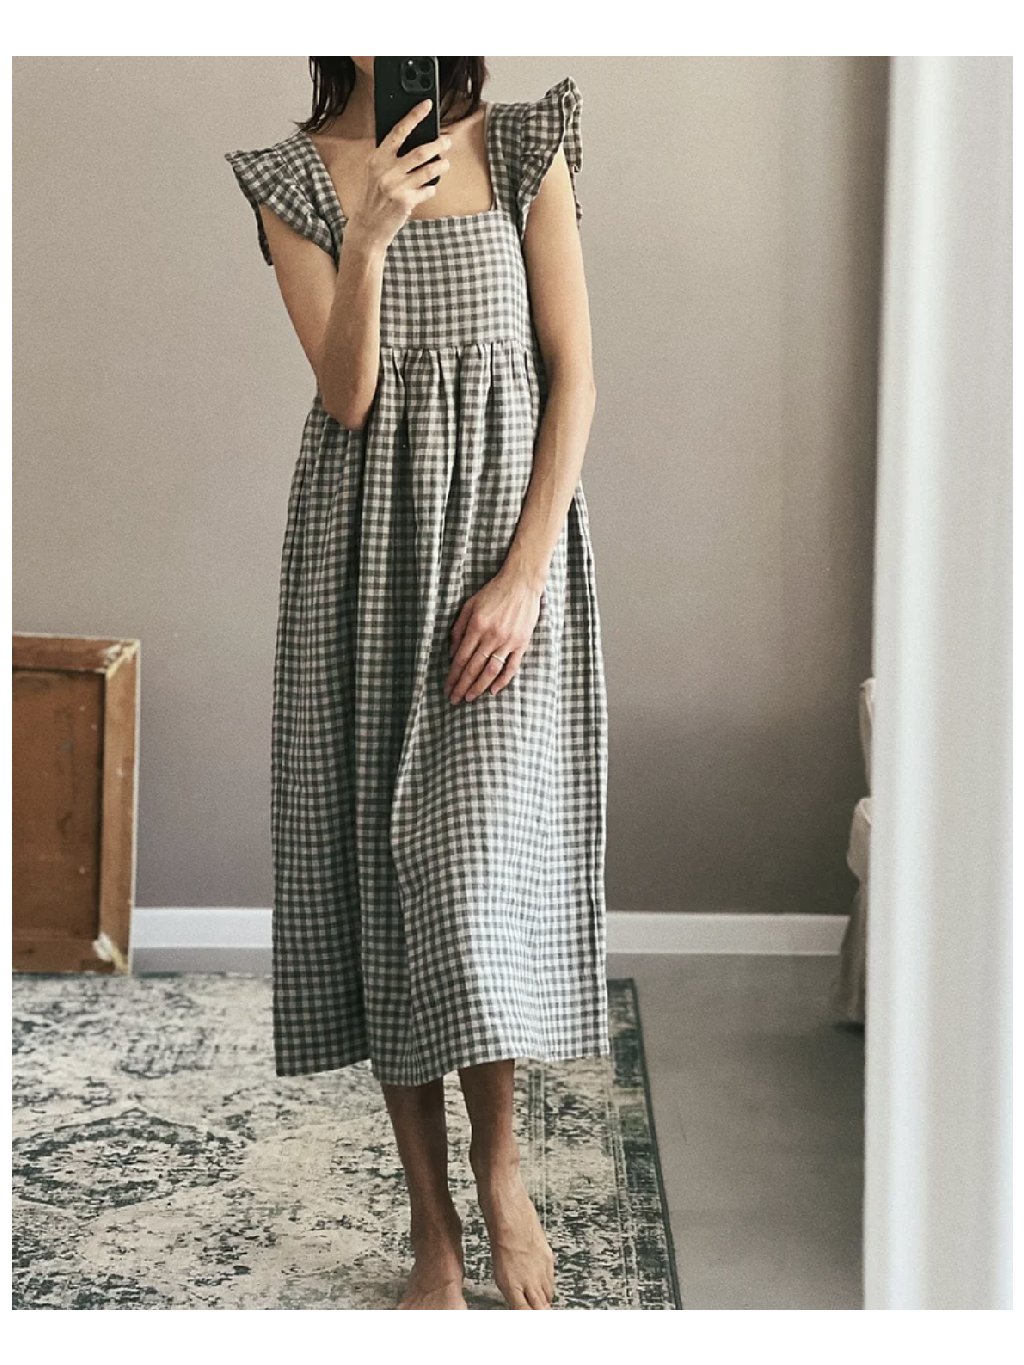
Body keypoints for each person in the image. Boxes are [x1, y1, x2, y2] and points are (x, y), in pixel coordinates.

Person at [224, 56, 609, 1311]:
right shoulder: (293, 181)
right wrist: (372, 233)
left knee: (468, 881)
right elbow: (348, 398)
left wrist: (525, 578)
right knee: (386, 888)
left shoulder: (524, 144)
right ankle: (430, 1223)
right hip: (366, 560)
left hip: (503, 563)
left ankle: (501, 1177)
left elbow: (573, 375)